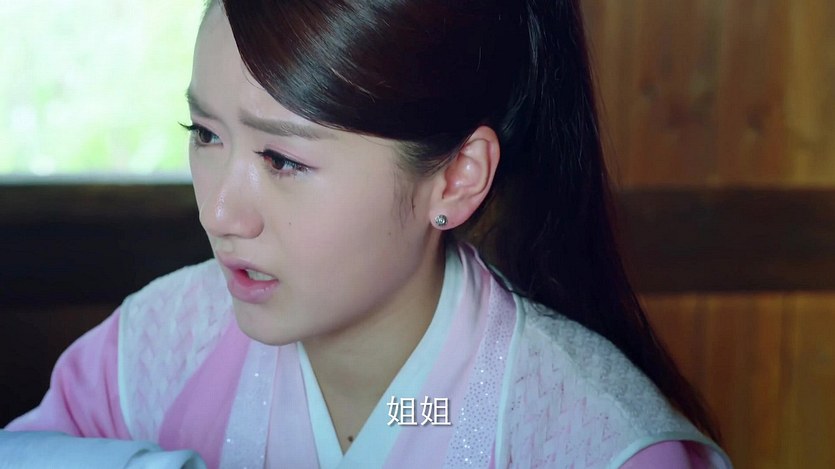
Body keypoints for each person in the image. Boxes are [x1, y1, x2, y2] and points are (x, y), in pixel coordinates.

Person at [1, 0, 732, 467]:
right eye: (205, 134)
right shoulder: (152, 347)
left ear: (455, 178)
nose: (220, 214)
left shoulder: (594, 441)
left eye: (283, 159)